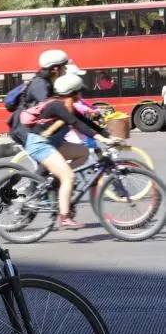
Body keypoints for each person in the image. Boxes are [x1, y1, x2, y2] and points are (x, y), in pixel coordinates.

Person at [21, 73, 122, 229]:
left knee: (83, 153)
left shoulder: (68, 107)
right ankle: (64, 217)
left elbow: (88, 123)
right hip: (40, 145)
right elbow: (76, 124)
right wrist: (103, 140)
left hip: (54, 144)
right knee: (69, 176)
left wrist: (110, 136)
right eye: (77, 93)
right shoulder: (57, 106)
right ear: (71, 92)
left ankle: (58, 181)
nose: (79, 96)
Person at [9, 49, 70, 146]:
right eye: (64, 67)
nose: (66, 70)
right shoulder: (40, 84)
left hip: (35, 129)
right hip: (26, 131)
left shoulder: (49, 83)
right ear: (55, 69)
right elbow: (49, 107)